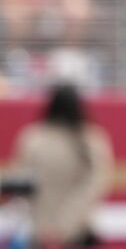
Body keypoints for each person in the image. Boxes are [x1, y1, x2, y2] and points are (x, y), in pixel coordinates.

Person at [8, 83, 113, 247]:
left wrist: (44, 227)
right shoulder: (92, 139)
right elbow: (93, 188)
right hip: (79, 232)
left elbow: (19, 183)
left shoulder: (33, 138)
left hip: (40, 231)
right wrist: (64, 227)